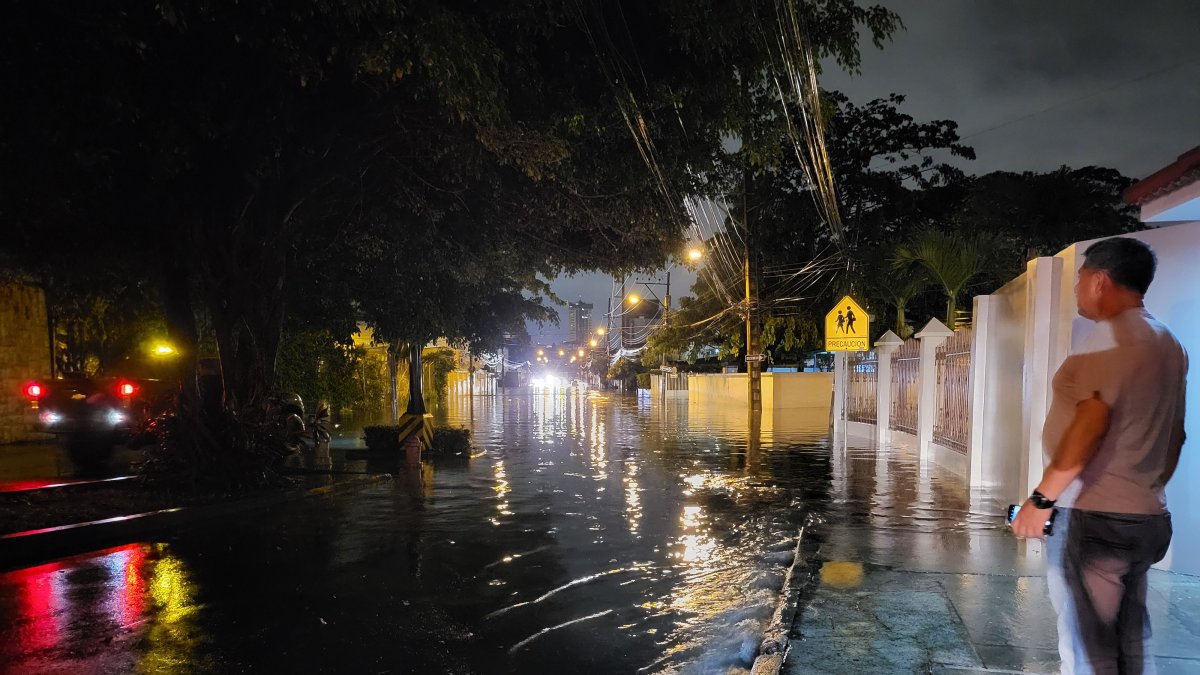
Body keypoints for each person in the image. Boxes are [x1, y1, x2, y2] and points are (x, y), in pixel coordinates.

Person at [1012, 237, 1188, 674]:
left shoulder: (1108, 338)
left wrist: (1042, 499)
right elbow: (1176, 436)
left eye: (1079, 280)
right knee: (1127, 634)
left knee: (1085, 639)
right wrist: (1144, 488)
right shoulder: (1169, 344)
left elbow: (1091, 422)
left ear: (1100, 281)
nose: (1076, 290)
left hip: (1094, 518)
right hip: (1145, 516)